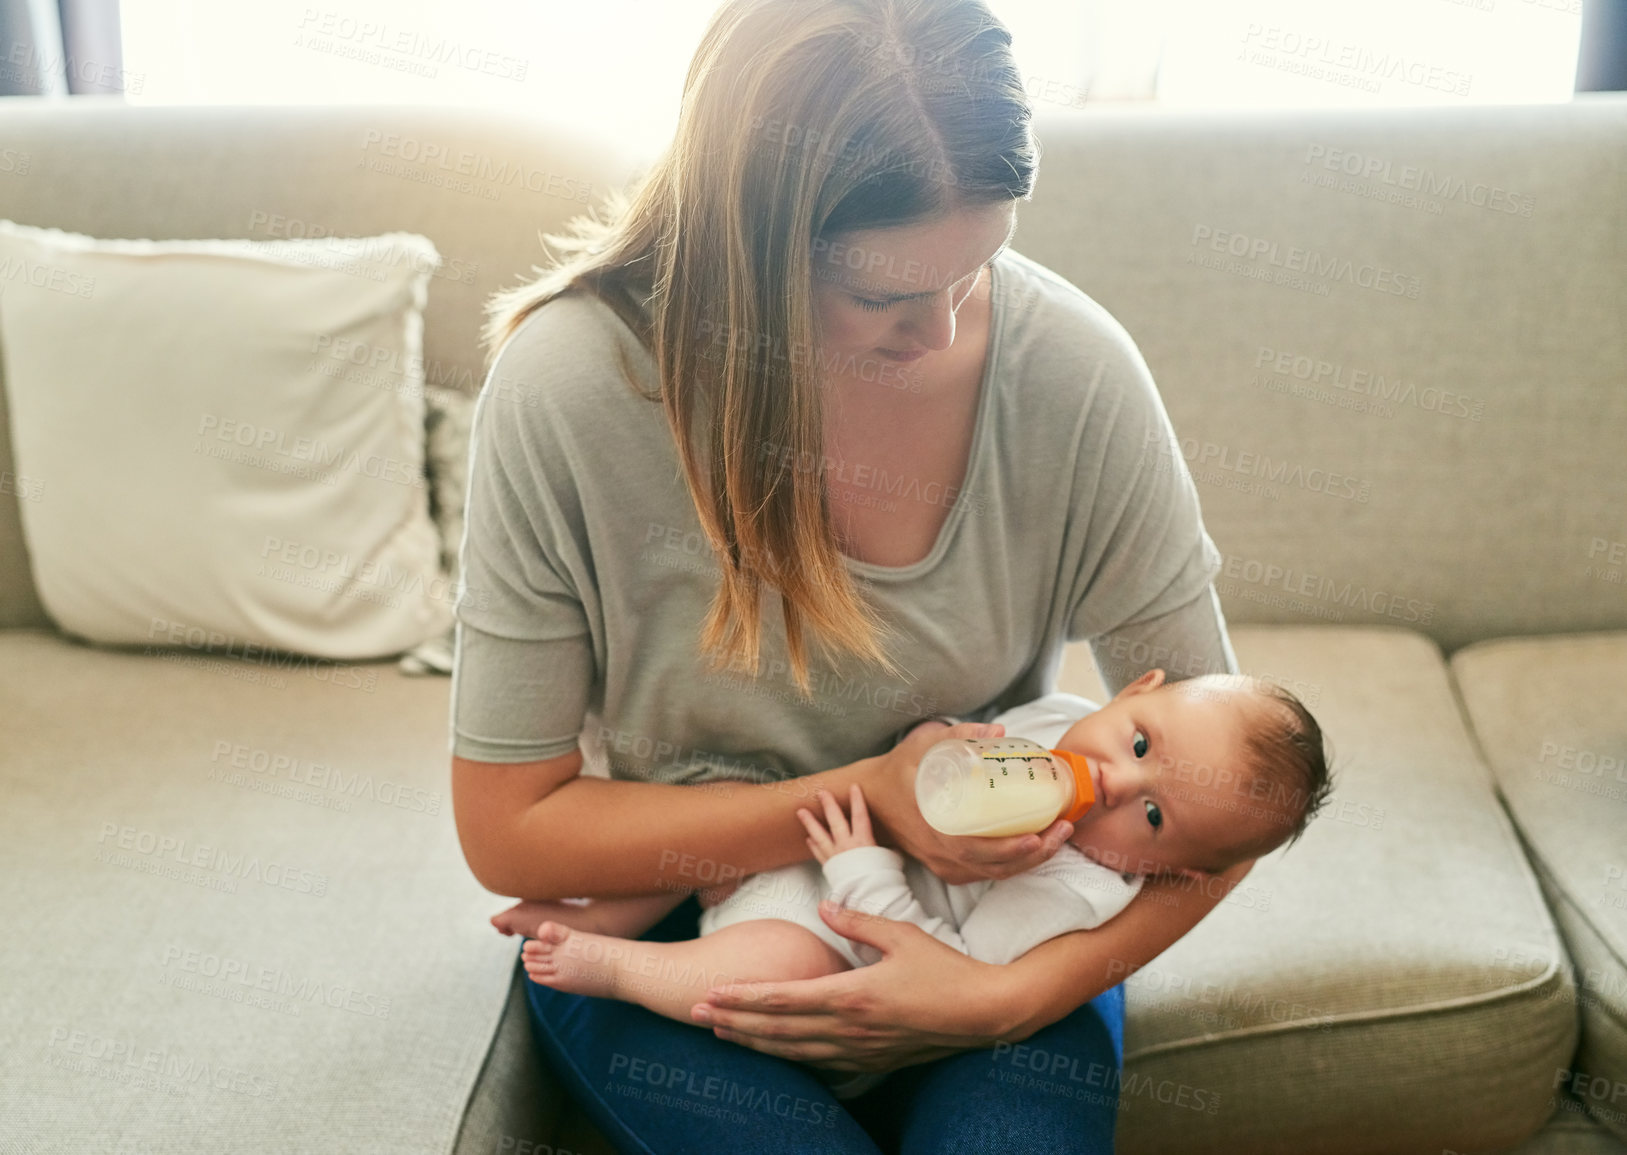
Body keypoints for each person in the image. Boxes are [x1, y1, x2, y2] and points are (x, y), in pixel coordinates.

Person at [450, 1, 1258, 1150]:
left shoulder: (1073, 376)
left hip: (995, 917)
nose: (941, 333)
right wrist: (874, 798)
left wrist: (1001, 998)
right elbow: (512, 831)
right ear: (747, 253)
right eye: (883, 298)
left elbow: (1227, 787)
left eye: (979, 266)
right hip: (688, 917)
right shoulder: (568, 392)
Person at [494, 672, 1332, 1101]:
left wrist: (864, 869)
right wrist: (933, 742)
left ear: (1171, 870)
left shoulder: (1078, 894)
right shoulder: (1053, 718)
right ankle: (597, 906)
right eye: (1138, 743)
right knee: (725, 810)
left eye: (1151, 816)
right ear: (1132, 690)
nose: (1111, 781)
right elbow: (941, 749)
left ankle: (615, 964)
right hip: (812, 846)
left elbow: (943, 972)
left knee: (774, 968)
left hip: (839, 941)